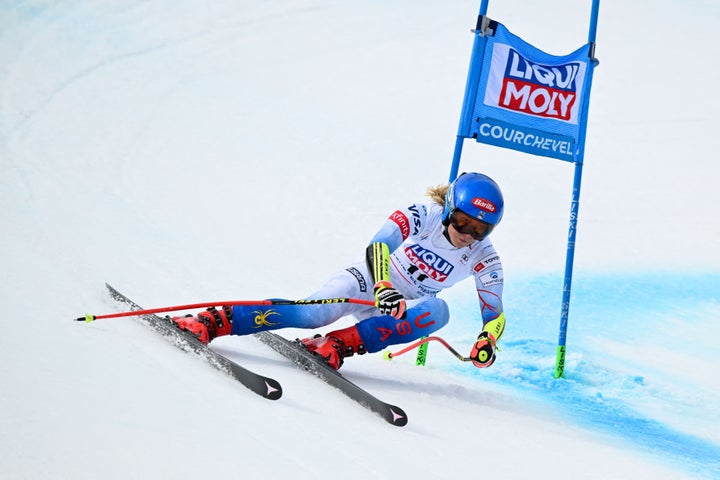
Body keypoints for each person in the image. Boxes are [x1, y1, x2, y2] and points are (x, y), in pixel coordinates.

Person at [172, 172, 506, 370]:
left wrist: (487, 340)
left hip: (405, 305)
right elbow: (379, 246)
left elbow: (494, 314)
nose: (468, 234)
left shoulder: (484, 257)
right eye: (463, 221)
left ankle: (336, 346)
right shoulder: (424, 214)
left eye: (481, 229)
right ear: (450, 209)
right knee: (311, 314)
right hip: (372, 279)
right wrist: (383, 286)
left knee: (437, 312)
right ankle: (215, 321)